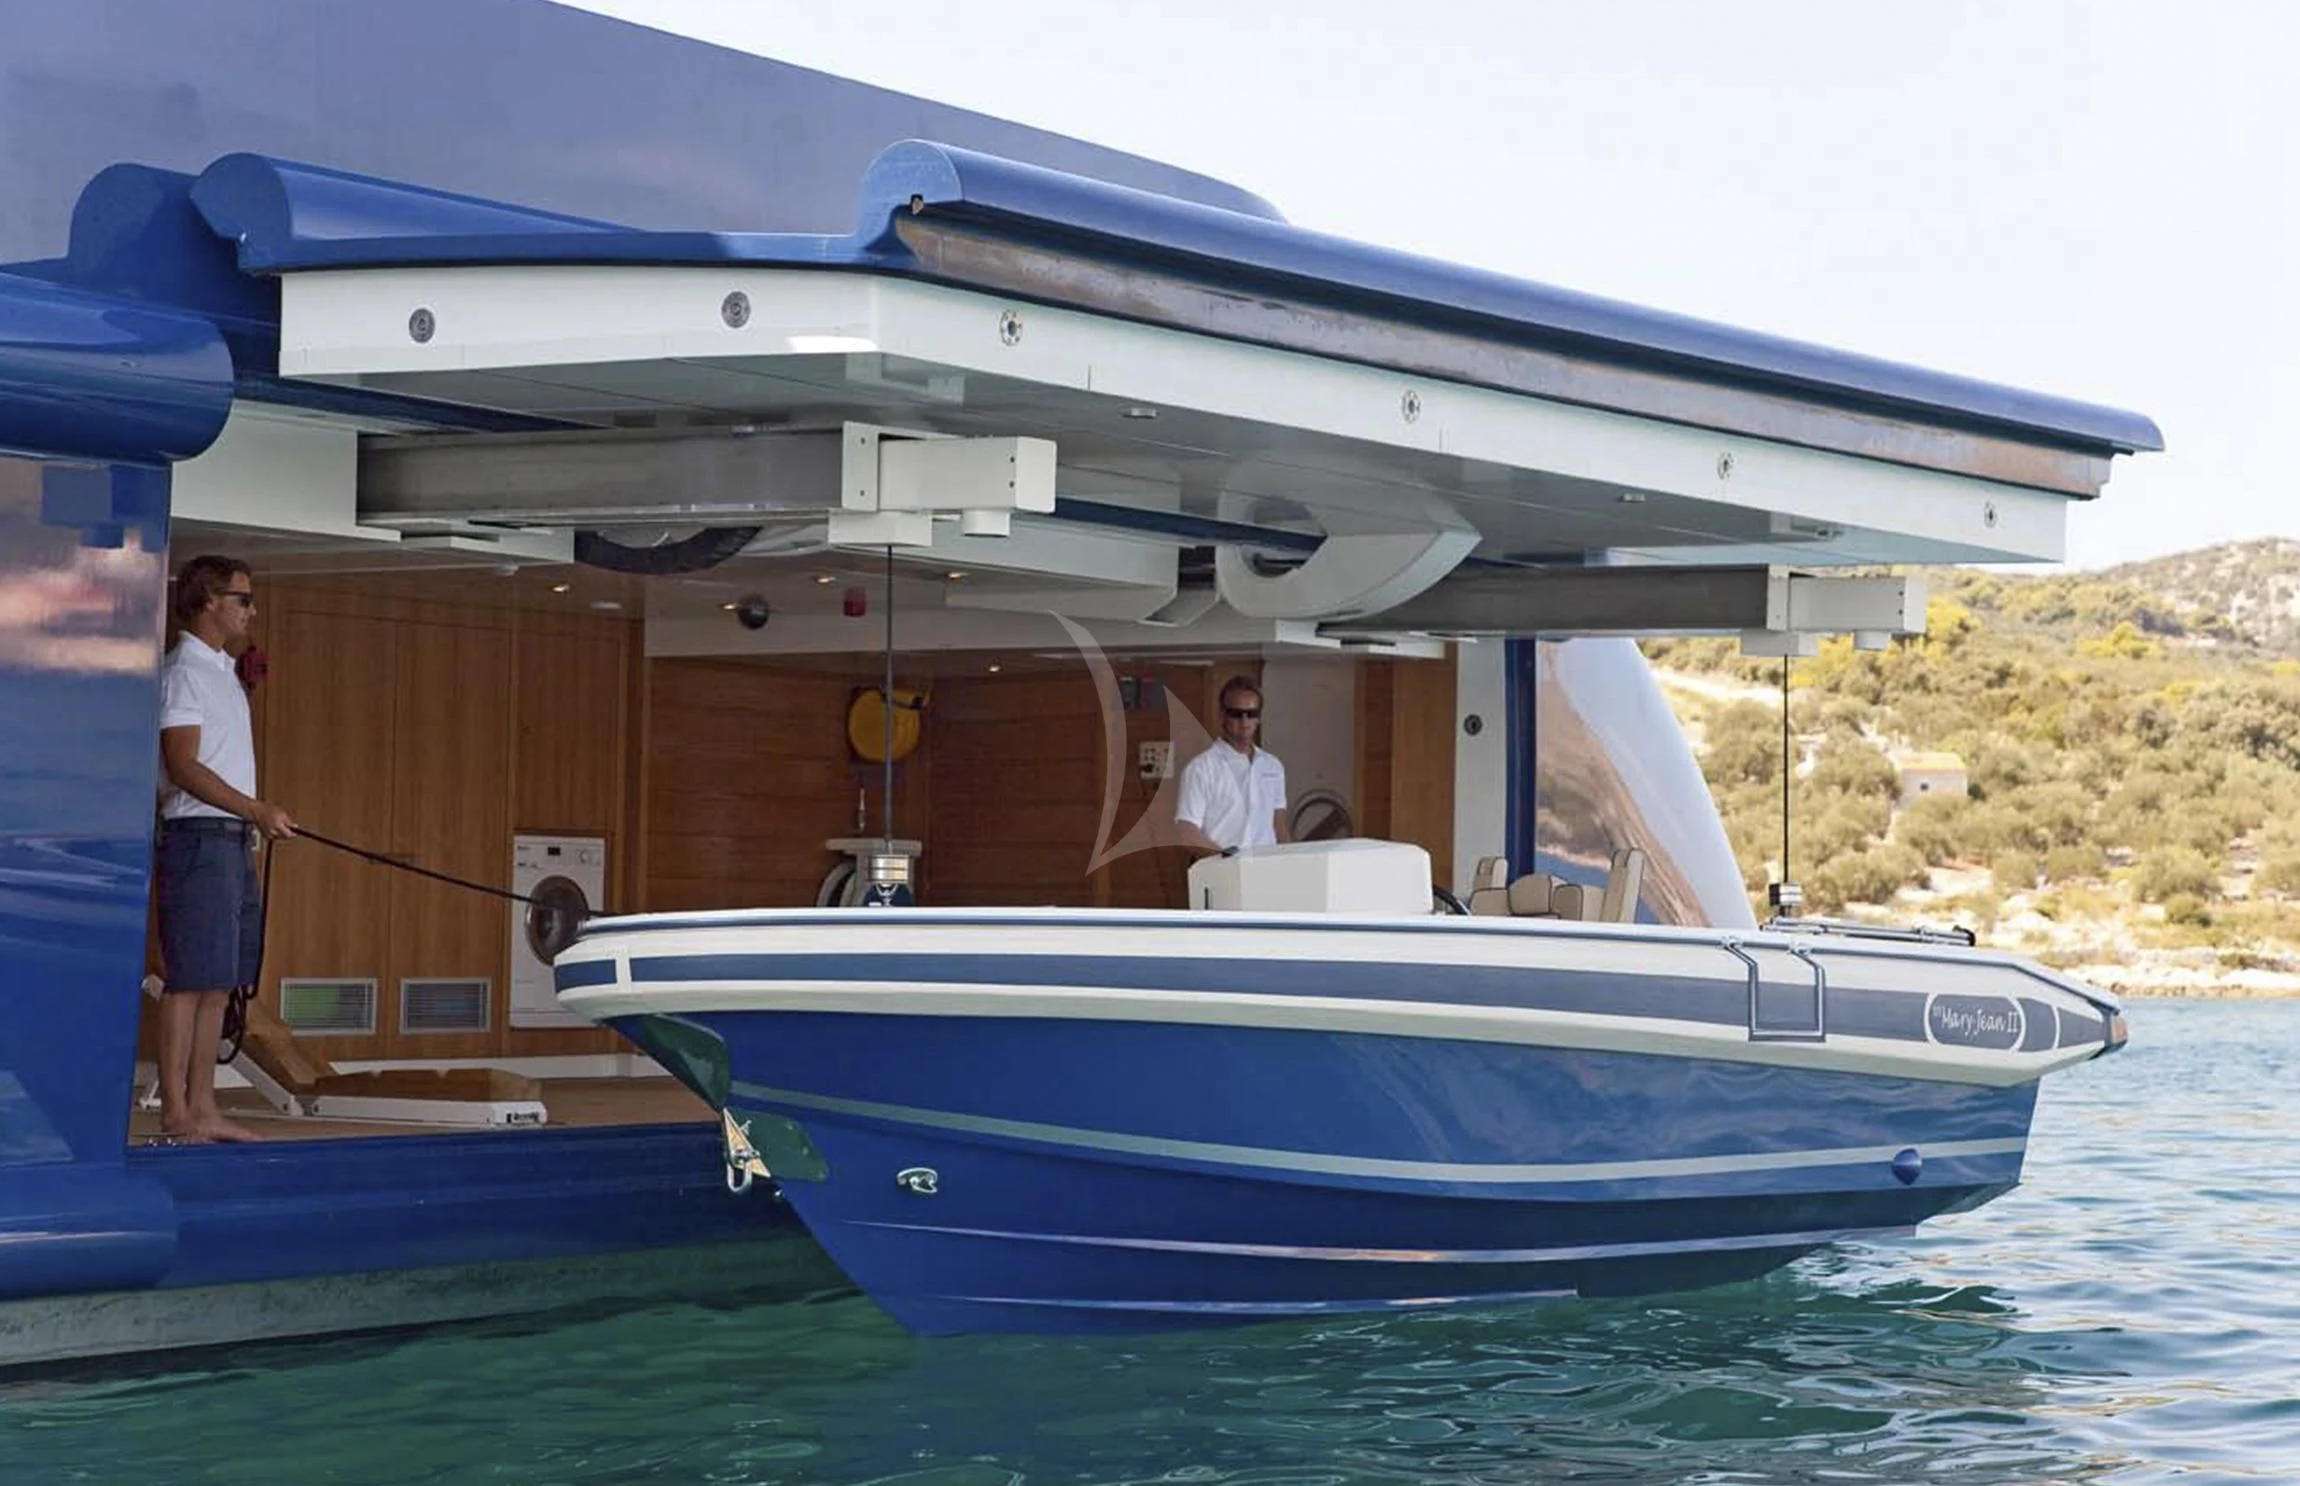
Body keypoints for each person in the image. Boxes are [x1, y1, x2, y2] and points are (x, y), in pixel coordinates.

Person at [153, 555, 295, 1143]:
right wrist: (255, 809)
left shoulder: (221, 672)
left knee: (219, 980)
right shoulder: (183, 670)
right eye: (242, 599)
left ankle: (205, 1105)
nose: (251, 610)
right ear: (208, 599)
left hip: (231, 841)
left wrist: (252, 824)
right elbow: (182, 765)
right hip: (199, 838)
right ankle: (179, 1112)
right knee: (189, 980)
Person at [1175, 675, 1291, 854]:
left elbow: (1279, 824)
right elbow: (1187, 830)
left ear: (1259, 717)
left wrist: (1291, 861)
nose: (1244, 722)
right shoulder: (1201, 768)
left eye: (1251, 714)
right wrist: (1225, 861)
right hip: (1222, 872)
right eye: (1236, 714)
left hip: (1267, 870)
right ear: (1223, 715)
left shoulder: (1273, 766)